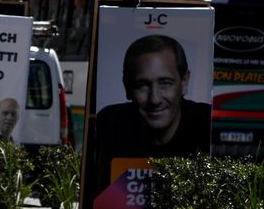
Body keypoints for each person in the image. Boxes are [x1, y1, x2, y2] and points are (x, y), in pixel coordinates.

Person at [88, 35, 212, 165]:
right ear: (127, 87)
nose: (154, 99)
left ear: (184, 83)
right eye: (142, 85)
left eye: (165, 83)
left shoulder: (208, 126)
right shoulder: (110, 125)